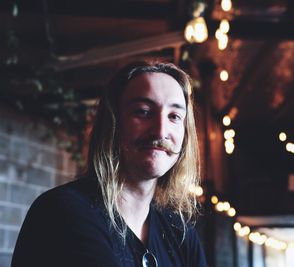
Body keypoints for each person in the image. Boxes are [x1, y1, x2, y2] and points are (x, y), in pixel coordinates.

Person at [11, 62, 207, 267]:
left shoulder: (180, 232)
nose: (160, 131)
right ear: (113, 123)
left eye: (174, 116)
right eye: (143, 112)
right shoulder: (62, 212)